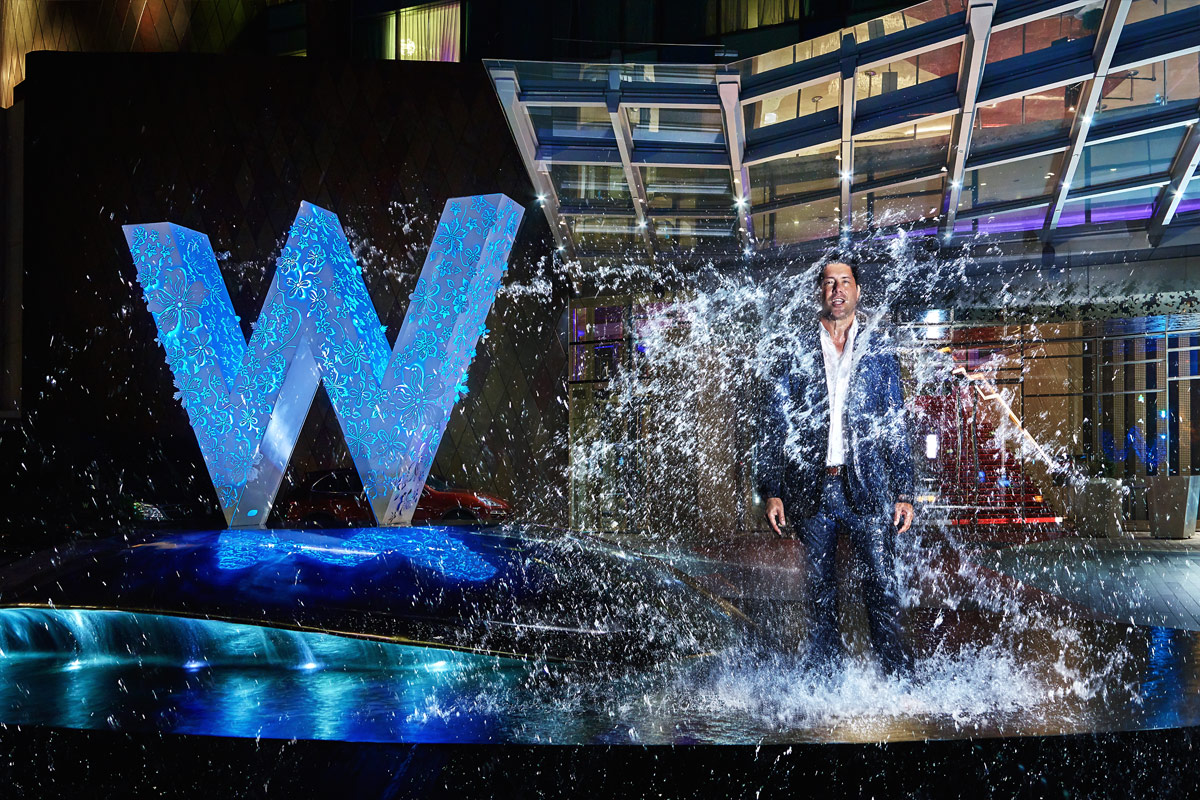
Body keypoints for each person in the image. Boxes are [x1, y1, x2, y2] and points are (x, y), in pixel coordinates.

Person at [758, 254, 915, 676]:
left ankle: (897, 677)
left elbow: (894, 421)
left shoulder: (877, 347)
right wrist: (772, 488)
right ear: (820, 292)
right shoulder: (795, 347)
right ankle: (826, 681)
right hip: (814, 487)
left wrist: (904, 491)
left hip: (868, 485)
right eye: (829, 283)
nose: (837, 289)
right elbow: (775, 421)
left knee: (881, 587)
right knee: (820, 594)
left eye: (845, 281)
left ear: (857, 291)